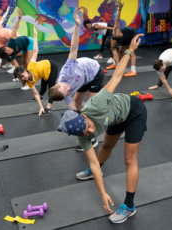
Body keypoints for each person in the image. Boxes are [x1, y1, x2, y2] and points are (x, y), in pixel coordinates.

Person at [57, 34, 146, 224]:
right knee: (105, 148)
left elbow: (116, 77)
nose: (89, 133)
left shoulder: (96, 103)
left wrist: (129, 50)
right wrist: (103, 193)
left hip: (134, 111)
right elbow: (94, 162)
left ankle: (129, 206)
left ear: (85, 117)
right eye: (85, 134)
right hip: (115, 119)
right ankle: (89, 173)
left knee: (129, 159)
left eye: (89, 128)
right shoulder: (82, 137)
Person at [48, 8, 105, 151]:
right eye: (68, 91)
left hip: (94, 71)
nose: (69, 89)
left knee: (91, 106)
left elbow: (73, 48)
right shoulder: (65, 94)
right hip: (83, 78)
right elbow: (74, 109)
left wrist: (77, 26)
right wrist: (80, 120)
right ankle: (85, 131)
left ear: (57, 84)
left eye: (66, 88)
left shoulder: (67, 70)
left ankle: (93, 137)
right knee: (78, 103)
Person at [13, 27, 58, 116]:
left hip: (51, 66)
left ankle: (49, 107)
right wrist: (41, 107)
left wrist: (35, 36)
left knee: (51, 88)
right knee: (43, 86)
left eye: (23, 75)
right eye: (21, 78)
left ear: (25, 70)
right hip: (44, 73)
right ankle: (42, 97)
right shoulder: (29, 81)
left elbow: (35, 50)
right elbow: (35, 93)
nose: (24, 78)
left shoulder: (31, 65)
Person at [0, 8, 34, 90]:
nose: (10, 51)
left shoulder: (11, 41)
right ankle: (24, 78)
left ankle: (29, 83)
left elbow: (14, 28)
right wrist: (19, 75)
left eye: (7, 49)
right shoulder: (11, 56)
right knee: (23, 63)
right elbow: (17, 67)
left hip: (29, 42)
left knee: (28, 62)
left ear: (6, 47)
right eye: (8, 53)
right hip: (23, 47)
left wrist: (19, 18)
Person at [106, 0, 138, 77]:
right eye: (111, 47)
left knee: (131, 51)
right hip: (124, 38)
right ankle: (114, 65)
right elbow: (116, 56)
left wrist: (119, 9)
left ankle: (133, 71)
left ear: (112, 41)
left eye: (112, 46)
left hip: (131, 33)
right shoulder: (112, 45)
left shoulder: (116, 34)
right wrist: (118, 69)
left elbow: (117, 20)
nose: (112, 47)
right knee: (120, 51)